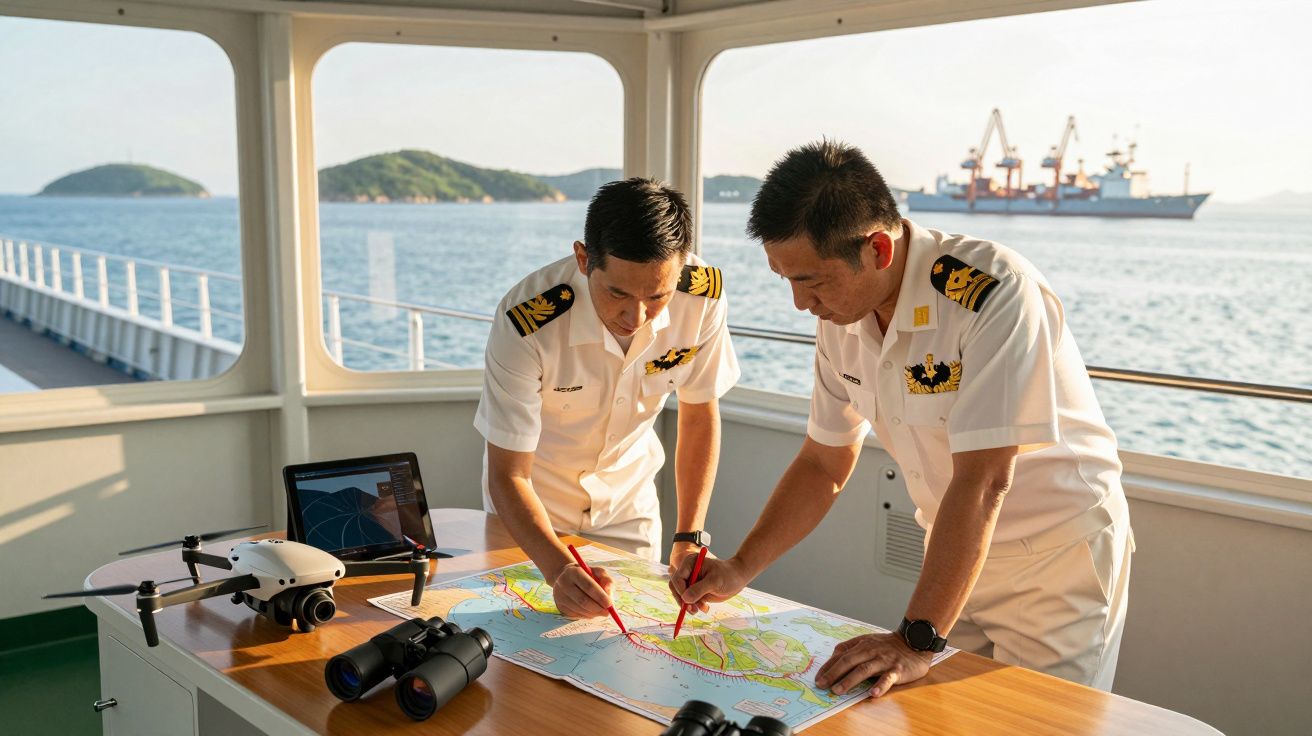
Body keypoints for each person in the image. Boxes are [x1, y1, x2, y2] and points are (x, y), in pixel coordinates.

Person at [672, 141, 1133, 695]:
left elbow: (985, 479)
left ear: (878, 250)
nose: (800, 303)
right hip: (955, 550)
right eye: (786, 279)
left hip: (1055, 562)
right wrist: (740, 568)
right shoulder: (841, 317)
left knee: (1040, 721)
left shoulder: (991, 292)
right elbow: (824, 462)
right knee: (941, 722)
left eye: (811, 281)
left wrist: (916, 640)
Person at [476, 177, 740, 620]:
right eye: (617, 292)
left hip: (628, 507)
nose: (636, 316)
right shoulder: (528, 320)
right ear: (584, 259)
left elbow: (699, 415)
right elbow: (508, 474)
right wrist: (557, 569)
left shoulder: (702, 299)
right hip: (534, 515)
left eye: (657, 296)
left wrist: (689, 537)